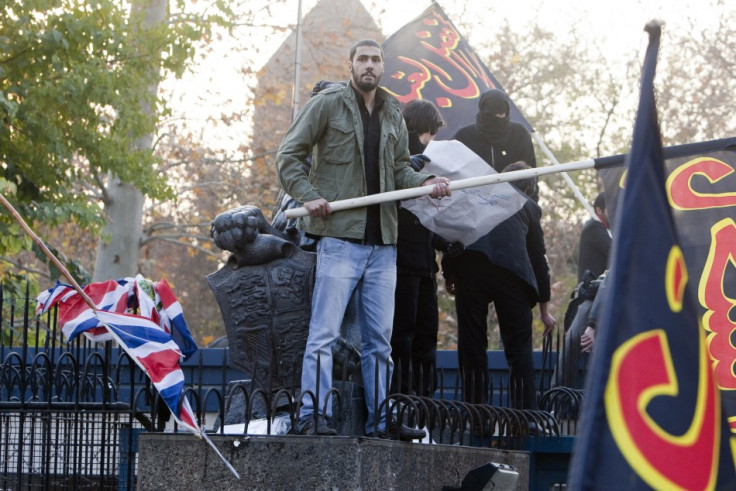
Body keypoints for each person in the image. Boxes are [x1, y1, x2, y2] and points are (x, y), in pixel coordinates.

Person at [275, 39, 451, 439]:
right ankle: (313, 415)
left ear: (383, 66)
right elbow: (288, 155)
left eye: (375, 60)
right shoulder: (328, 104)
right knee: (323, 335)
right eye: (363, 59)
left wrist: (426, 182)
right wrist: (309, 195)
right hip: (339, 240)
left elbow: (401, 169)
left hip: (384, 246)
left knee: (380, 344)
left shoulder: (392, 111)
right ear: (351, 64)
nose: (369, 66)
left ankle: (381, 421)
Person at [443, 162, 555, 409]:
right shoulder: (528, 206)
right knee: (519, 347)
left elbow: (456, 233)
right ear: (528, 187)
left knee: (472, 343)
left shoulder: (477, 195)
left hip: (471, 267)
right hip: (513, 273)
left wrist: (449, 273)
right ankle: (525, 415)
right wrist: (544, 311)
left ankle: (476, 412)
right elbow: (539, 259)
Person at [390, 99, 463, 397]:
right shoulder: (401, 155)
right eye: (432, 133)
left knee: (417, 335)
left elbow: (421, 216)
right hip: (404, 261)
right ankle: (410, 398)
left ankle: (413, 399)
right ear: (423, 128)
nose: (433, 140)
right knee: (410, 335)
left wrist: (442, 242)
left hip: (419, 261)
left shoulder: (421, 157)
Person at [452, 89, 536, 175]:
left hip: (515, 187)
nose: (498, 118)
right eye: (491, 115)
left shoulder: (519, 134)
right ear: (483, 111)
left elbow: (531, 172)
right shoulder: (464, 137)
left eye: (502, 113)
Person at [577, 191, 611, 282]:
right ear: (599, 210)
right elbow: (613, 249)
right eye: (610, 207)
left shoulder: (605, 228)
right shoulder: (593, 228)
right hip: (592, 291)